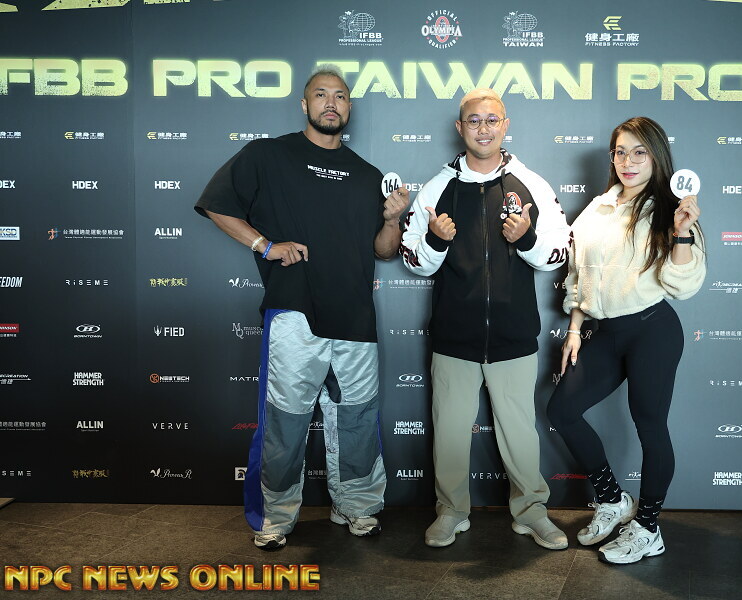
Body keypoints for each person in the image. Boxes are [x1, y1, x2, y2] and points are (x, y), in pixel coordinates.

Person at [194, 66, 409, 551]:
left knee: (357, 418)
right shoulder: (268, 155)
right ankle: (275, 517)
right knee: (285, 420)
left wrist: (393, 220)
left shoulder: (368, 176)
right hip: (293, 312)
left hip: (355, 318)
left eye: (340, 96)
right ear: (305, 104)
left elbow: (383, 250)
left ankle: (356, 507)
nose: (331, 103)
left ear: (349, 106)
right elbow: (216, 204)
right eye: (321, 95)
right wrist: (264, 245)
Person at [400, 88, 572, 550]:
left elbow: (559, 252)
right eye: (474, 120)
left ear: (505, 125)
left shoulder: (530, 183)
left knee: (519, 432)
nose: (483, 128)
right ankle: (451, 511)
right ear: (460, 128)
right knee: (450, 432)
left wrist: (526, 237)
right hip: (454, 336)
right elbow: (413, 260)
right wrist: (435, 240)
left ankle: (531, 511)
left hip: (514, 334)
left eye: (491, 120)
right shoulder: (437, 188)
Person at [546, 116, 706, 564]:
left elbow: (683, 284)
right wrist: (574, 329)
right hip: (607, 331)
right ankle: (614, 499)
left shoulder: (670, 210)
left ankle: (649, 527)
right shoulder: (598, 208)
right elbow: (579, 274)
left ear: (656, 157)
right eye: (620, 152)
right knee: (561, 411)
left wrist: (682, 231)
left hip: (653, 330)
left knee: (650, 427)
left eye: (639, 152)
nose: (628, 161)